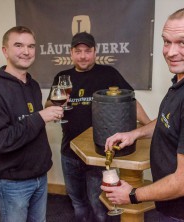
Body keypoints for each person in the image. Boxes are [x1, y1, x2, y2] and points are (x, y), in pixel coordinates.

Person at [101, 7, 184, 222]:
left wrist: (132, 195)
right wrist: (134, 134)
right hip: (177, 206)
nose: (170, 52)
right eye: (166, 41)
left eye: (182, 42)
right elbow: (168, 122)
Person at [45, 32, 150, 222]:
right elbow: (48, 106)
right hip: (69, 152)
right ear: (71, 53)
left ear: (95, 52)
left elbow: (130, 102)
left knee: (99, 206)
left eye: (88, 51)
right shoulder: (63, 77)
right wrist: (56, 104)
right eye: (78, 51)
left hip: (98, 155)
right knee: (77, 202)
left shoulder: (108, 73)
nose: (83, 55)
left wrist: (149, 125)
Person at [0, 26, 64, 222]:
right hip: (12, 183)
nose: (26, 51)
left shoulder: (32, 85)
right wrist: (40, 117)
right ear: (5, 51)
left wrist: (45, 112)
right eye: (19, 45)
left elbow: (29, 125)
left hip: (39, 177)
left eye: (31, 46)